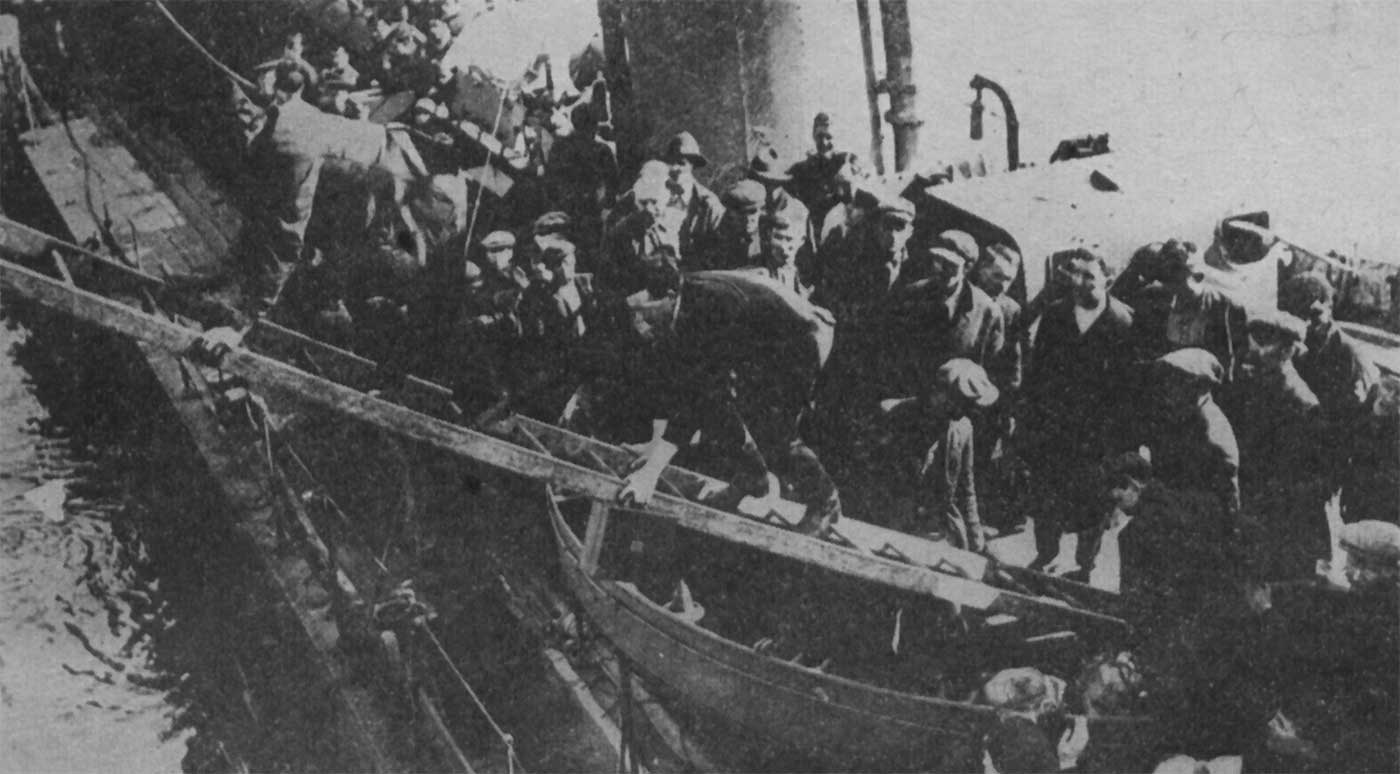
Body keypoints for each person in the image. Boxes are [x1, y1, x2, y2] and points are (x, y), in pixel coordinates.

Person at [616, 268, 842, 535]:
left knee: (773, 430)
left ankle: (825, 501)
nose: (639, 323)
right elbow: (683, 384)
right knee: (717, 405)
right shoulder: (682, 308)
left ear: (669, 296)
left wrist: (652, 471)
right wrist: (656, 447)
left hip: (801, 337)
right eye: (633, 314)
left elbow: (697, 397)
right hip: (765, 341)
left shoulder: (705, 306)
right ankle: (750, 475)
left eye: (642, 312)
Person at [1021, 248, 1137, 575]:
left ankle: (1085, 565)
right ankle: (1046, 554)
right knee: (1047, 492)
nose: (1078, 282)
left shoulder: (1124, 322)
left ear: (1108, 281)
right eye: (1075, 273)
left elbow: (1129, 387)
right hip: (1055, 425)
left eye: (1089, 276)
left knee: (1094, 501)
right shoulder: (1056, 315)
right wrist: (1033, 419)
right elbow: (1038, 371)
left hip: (1097, 434)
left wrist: (1120, 439)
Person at [1218, 311, 1328, 585]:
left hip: (1275, 518)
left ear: (1287, 350)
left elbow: (1299, 479)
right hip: (1250, 505)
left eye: (1265, 342)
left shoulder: (1300, 403)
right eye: (1255, 340)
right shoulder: (1256, 383)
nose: (1254, 349)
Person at [1278, 273, 1380, 522]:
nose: (1307, 323)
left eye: (1314, 314)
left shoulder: (1349, 356)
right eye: (1297, 314)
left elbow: (1353, 426)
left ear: (1329, 308)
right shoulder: (1292, 343)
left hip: (1324, 465)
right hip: (1290, 456)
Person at [1116, 239, 1249, 381]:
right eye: (1168, 278)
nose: (1172, 284)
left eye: (1178, 275)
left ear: (1198, 276)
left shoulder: (1223, 305)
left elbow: (1231, 364)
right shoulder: (1159, 302)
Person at [916, 359, 999, 551]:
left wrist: (976, 538)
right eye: (961, 402)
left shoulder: (963, 428)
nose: (965, 411)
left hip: (939, 528)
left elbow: (967, 488)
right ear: (940, 394)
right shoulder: (898, 416)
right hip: (898, 524)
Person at [657, 131, 724, 267]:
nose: (674, 168)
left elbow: (719, 251)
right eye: (670, 162)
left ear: (693, 165)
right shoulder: (656, 198)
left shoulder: (709, 204)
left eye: (681, 163)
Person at [703, 179, 766, 271]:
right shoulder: (719, 236)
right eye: (742, 214)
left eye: (752, 212)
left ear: (761, 211)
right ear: (730, 213)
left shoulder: (768, 238)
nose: (748, 219)